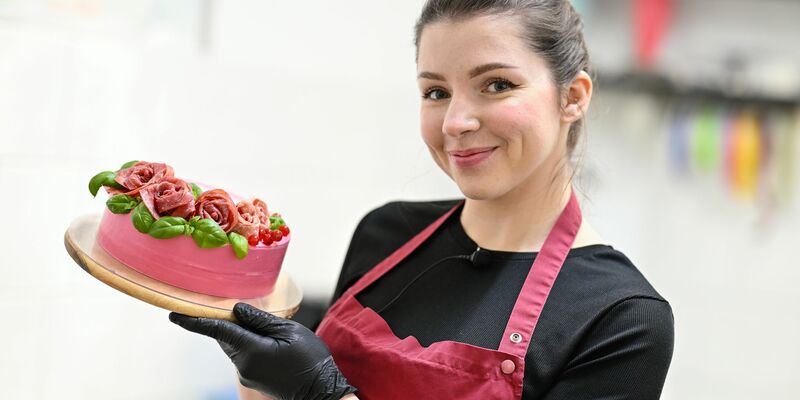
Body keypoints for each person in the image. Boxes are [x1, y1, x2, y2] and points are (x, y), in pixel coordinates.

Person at [169, 0, 675, 399]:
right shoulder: (385, 234)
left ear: (573, 97)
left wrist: (321, 396)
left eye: (496, 85)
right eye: (436, 92)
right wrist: (259, 365)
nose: (456, 122)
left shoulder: (621, 318)